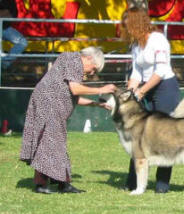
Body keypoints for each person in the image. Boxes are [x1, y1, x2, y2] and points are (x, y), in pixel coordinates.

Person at [20, 47, 116, 194]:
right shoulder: (74, 61)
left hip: (47, 102)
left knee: (51, 142)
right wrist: (101, 89)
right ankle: (46, 185)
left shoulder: (71, 61)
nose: (92, 73)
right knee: (51, 142)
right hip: (49, 104)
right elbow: (76, 89)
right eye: (94, 69)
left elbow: (73, 97)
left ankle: (61, 183)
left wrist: (97, 104)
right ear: (89, 58)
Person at [120, 7, 180, 193]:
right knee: (137, 134)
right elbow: (136, 73)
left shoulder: (158, 40)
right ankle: (133, 182)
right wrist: (129, 94)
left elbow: (161, 71)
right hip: (145, 88)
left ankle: (162, 184)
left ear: (136, 23)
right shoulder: (136, 45)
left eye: (127, 25)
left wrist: (142, 91)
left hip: (164, 88)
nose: (126, 30)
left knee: (164, 135)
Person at [0, 0, 27, 69]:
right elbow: (7, 13)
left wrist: (4, 13)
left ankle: (5, 62)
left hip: (5, 28)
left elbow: (13, 14)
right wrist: (5, 13)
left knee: (22, 42)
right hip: (4, 27)